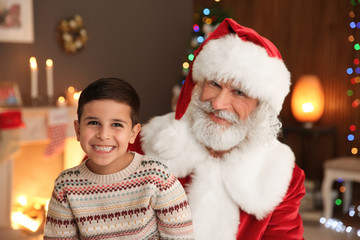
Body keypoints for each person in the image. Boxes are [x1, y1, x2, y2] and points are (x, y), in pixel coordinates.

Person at [140, 18, 305, 240]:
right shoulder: (146, 145)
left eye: (239, 93)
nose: (218, 104)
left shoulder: (281, 175)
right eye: (214, 84)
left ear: (260, 109)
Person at [44, 78, 194, 239]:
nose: (103, 135)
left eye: (116, 125)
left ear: (133, 133)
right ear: (78, 130)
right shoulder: (65, 186)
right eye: (94, 122)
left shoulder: (158, 178)